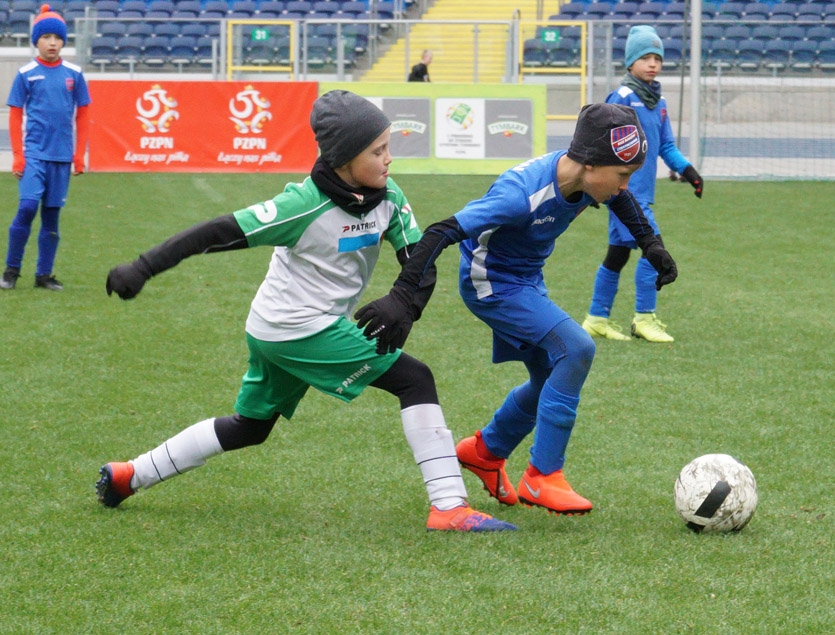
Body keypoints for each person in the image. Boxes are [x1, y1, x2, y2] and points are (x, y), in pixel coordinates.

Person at [96, 90, 515, 533]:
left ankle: (129, 475)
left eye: (388, 147)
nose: (389, 159)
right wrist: (143, 267)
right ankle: (449, 506)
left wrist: (405, 305)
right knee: (415, 379)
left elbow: (418, 260)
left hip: (279, 329)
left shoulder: (388, 195)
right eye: (377, 151)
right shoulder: (302, 204)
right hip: (294, 328)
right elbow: (216, 232)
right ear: (344, 159)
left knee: (249, 428)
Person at [354, 102, 677, 515]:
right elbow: (441, 231)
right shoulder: (520, 196)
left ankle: (485, 452)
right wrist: (402, 296)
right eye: (622, 176)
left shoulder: (585, 179)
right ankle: (543, 477)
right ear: (592, 165)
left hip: (526, 279)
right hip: (490, 282)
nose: (624, 186)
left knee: (548, 378)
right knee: (577, 348)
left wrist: (651, 244)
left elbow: (622, 201)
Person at [581, 25, 702, 343]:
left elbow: (666, 146)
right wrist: (592, 182)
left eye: (657, 58)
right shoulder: (621, 97)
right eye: (645, 57)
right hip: (623, 194)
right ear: (630, 62)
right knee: (654, 250)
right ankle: (644, 318)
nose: (652, 64)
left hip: (643, 195)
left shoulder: (658, 102)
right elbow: (598, 139)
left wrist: (688, 172)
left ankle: (596, 319)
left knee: (617, 255)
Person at [0, 5, 91, 292]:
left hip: (61, 158)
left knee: (51, 215)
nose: (52, 42)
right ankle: (11, 271)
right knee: (27, 207)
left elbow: (84, 113)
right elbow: (15, 114)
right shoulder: (26, 73)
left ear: (64, 41)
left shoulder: (74, 74)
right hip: (34, 155)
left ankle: (44, 275)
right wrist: (18, 156)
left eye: (57, 37)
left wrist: (79, 155)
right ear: (36, 41)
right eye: (46, 37)